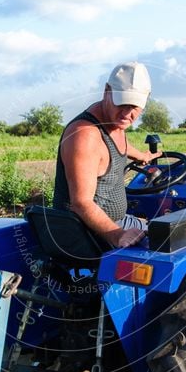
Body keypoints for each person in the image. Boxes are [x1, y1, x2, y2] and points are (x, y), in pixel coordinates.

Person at [53, 62, 161, 248]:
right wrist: (117, 235)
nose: (128, 113)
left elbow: (121, 145)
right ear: (107, 91)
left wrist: (143, 156)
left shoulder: (114, 122)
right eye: (123, 103)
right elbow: (80, 203)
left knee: (166, 229)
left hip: (119, 221)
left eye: (135, 106)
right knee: (170, 243)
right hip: (89, 232)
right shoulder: (84, 135)